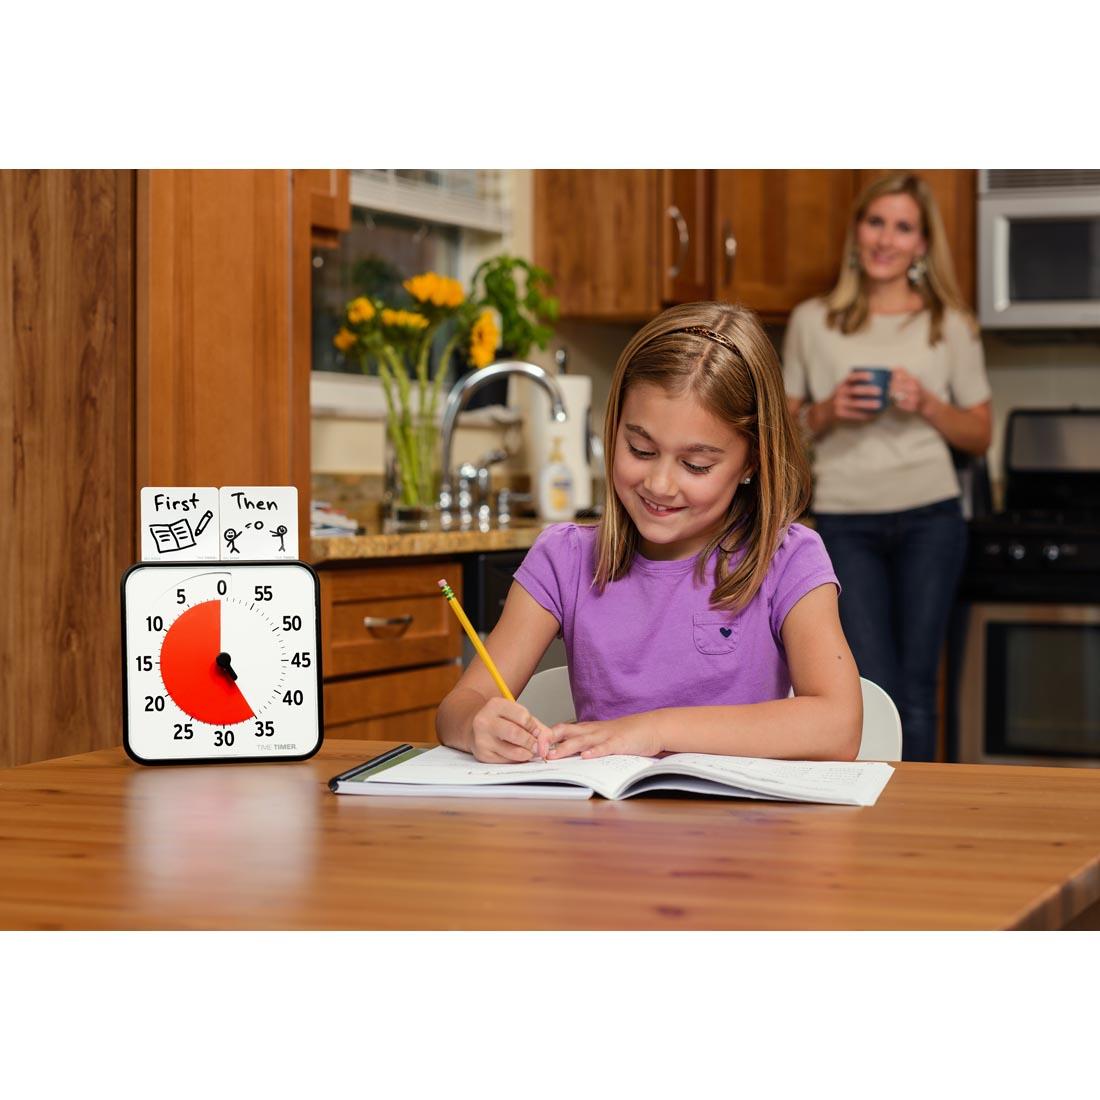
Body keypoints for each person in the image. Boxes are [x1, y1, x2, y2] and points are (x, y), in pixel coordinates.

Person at [436, 301, 862, 764]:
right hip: (603, 829)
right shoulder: (565, 558)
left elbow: (838, 727)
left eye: (696, 465)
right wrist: (477, 726)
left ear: (751, 462)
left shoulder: (789, 559)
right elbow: (458, 708)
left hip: (741, 833)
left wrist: (653, 730)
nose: (659, 485)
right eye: (640, 449)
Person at [782, 172, 992, 762]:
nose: (886, 239)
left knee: (920, 690)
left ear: (922, 244)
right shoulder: (811, 321)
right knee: (873, 688)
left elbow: (980, 434)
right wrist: (826, 411)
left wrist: (926, 402)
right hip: (845, 522)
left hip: (932, 518)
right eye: (876, 222)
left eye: (903, 227)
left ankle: (916, 817)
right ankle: (874, 810)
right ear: (856, 231)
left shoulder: (948, 325)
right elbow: (778, 437)